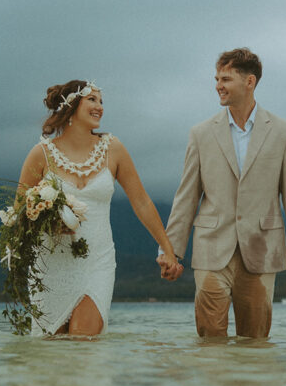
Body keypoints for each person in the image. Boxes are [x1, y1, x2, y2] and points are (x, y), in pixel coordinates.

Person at [158, 48, 286, 338]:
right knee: (209, 341)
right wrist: (171, 250)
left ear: (249, 82)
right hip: (211, 248)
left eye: (226, 79)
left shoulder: (283, 132)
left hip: (262, 249)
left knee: (255, 342)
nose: (218, 85)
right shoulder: (201, 133)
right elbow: (186, 196)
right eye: (217, 78)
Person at [17, 79, 182, 336]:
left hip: (97, 261)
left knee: (83, 342)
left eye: (101, 101)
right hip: (50, 264)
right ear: (71, 105)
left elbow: (141, 201)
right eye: (92, 99)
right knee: (50, 356)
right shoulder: (41, 154)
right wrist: (47, 220)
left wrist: (168, 250)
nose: (100, 107)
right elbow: (20, 212)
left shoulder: (113, 149)